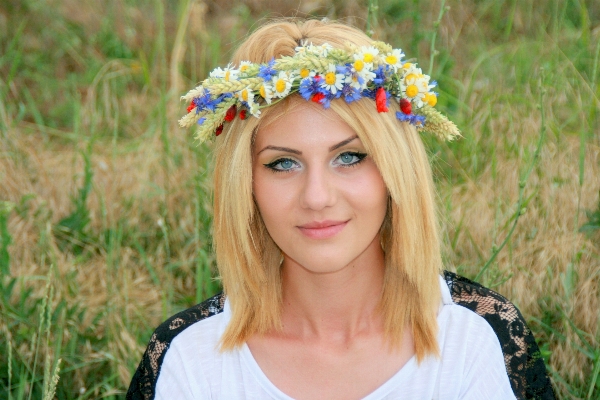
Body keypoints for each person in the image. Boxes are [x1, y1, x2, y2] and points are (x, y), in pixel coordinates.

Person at [127, 19, 554, 400]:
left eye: (349, 158)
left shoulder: (473, 339)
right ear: (246, 185)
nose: (317, 196)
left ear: (394, 171)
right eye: (283, 163)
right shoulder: (191, 359)